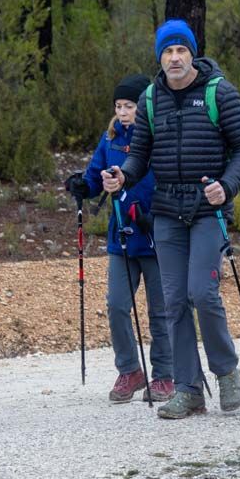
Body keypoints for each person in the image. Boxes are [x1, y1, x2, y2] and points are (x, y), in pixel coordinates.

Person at [102, 19, 240, 420]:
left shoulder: (218, 92)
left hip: (209, 207)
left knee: (201, 294)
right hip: (167, 211)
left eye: (181, 50)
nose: (174, 57)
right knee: (173, 301)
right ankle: (189, 389)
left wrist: (227, 185)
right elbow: (139, 155)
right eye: (167, 51)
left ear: (192, 54)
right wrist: (123, 176)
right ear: (160, 56)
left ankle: (226, 372)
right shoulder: (151, 98)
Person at [64, 74, 175, 403]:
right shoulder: (110, 137)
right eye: (119, 106)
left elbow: (169, 179)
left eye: (130, 106)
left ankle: (165, 374)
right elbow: (96, 176)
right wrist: (83, 186)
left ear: (144, 106)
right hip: (122, 235)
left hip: (154, 234)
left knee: (161, 310)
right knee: (115, 304)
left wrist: (156, 215)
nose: (124, 112)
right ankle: (130, 370)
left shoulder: (158, 136)